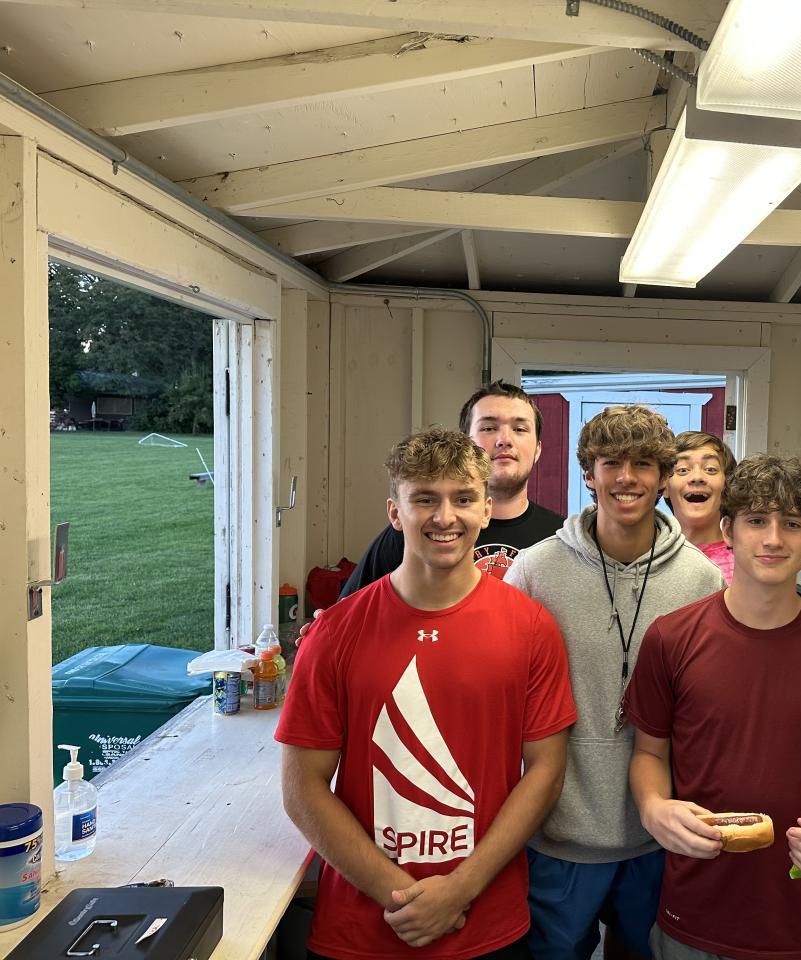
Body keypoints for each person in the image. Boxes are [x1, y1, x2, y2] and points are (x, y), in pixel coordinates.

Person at [277, 428, 578, 960]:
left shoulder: (531, 627)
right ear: (395, 512)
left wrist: (460, 889)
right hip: (362, 930)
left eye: (463, 498)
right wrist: (400, 896)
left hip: (486, 921)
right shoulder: (335, 633)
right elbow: (303, 788)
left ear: (486, 510)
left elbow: (546, 772)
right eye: (424, 499)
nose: (445, 517)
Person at [625, 454, 801, 960]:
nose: (773, 539)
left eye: (792, 524)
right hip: (693, 914)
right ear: (728, 530)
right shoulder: (671, 638)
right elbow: (648, 754)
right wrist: (654, 807)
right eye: (756, 521)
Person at [503, 405, 725, 960]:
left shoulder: (702, 580)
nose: (627, 477)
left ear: (664, 476)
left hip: (658, 835)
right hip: (557, 834)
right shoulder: (533, 571)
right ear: (588, 473)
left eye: (643, 463)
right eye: (611, 463)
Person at [340, 380, 562, 595]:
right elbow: (351, 609)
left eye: (520, 429)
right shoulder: (414, 531)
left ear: (538, 449)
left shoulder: (560, 538)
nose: (504, 439)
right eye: (488, 428)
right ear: (465, 444)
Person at [662, 431, 736, 583]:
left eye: (710, 469)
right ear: (664, 486)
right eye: (683, 470)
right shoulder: (647, 557)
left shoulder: (746, 562)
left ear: (727, 486)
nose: (697, 477)